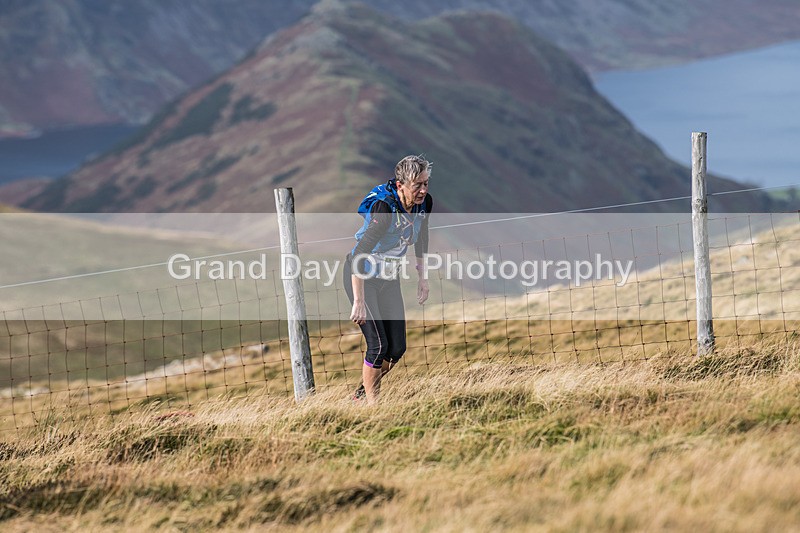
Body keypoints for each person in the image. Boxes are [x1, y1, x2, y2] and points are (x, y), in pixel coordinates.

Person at [343, 155, 432, 404]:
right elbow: (359, 255)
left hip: (389, 279)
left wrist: (422, 278)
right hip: (363, 278)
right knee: (378, 346)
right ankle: (374, 408)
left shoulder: (423, 204)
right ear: (400, 185)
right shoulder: (384, 210)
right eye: (417, 185)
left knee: (396, 349)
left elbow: (422, 238)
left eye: (426, 184)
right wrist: (359, 301)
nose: (423, 190)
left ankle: (360, 395)